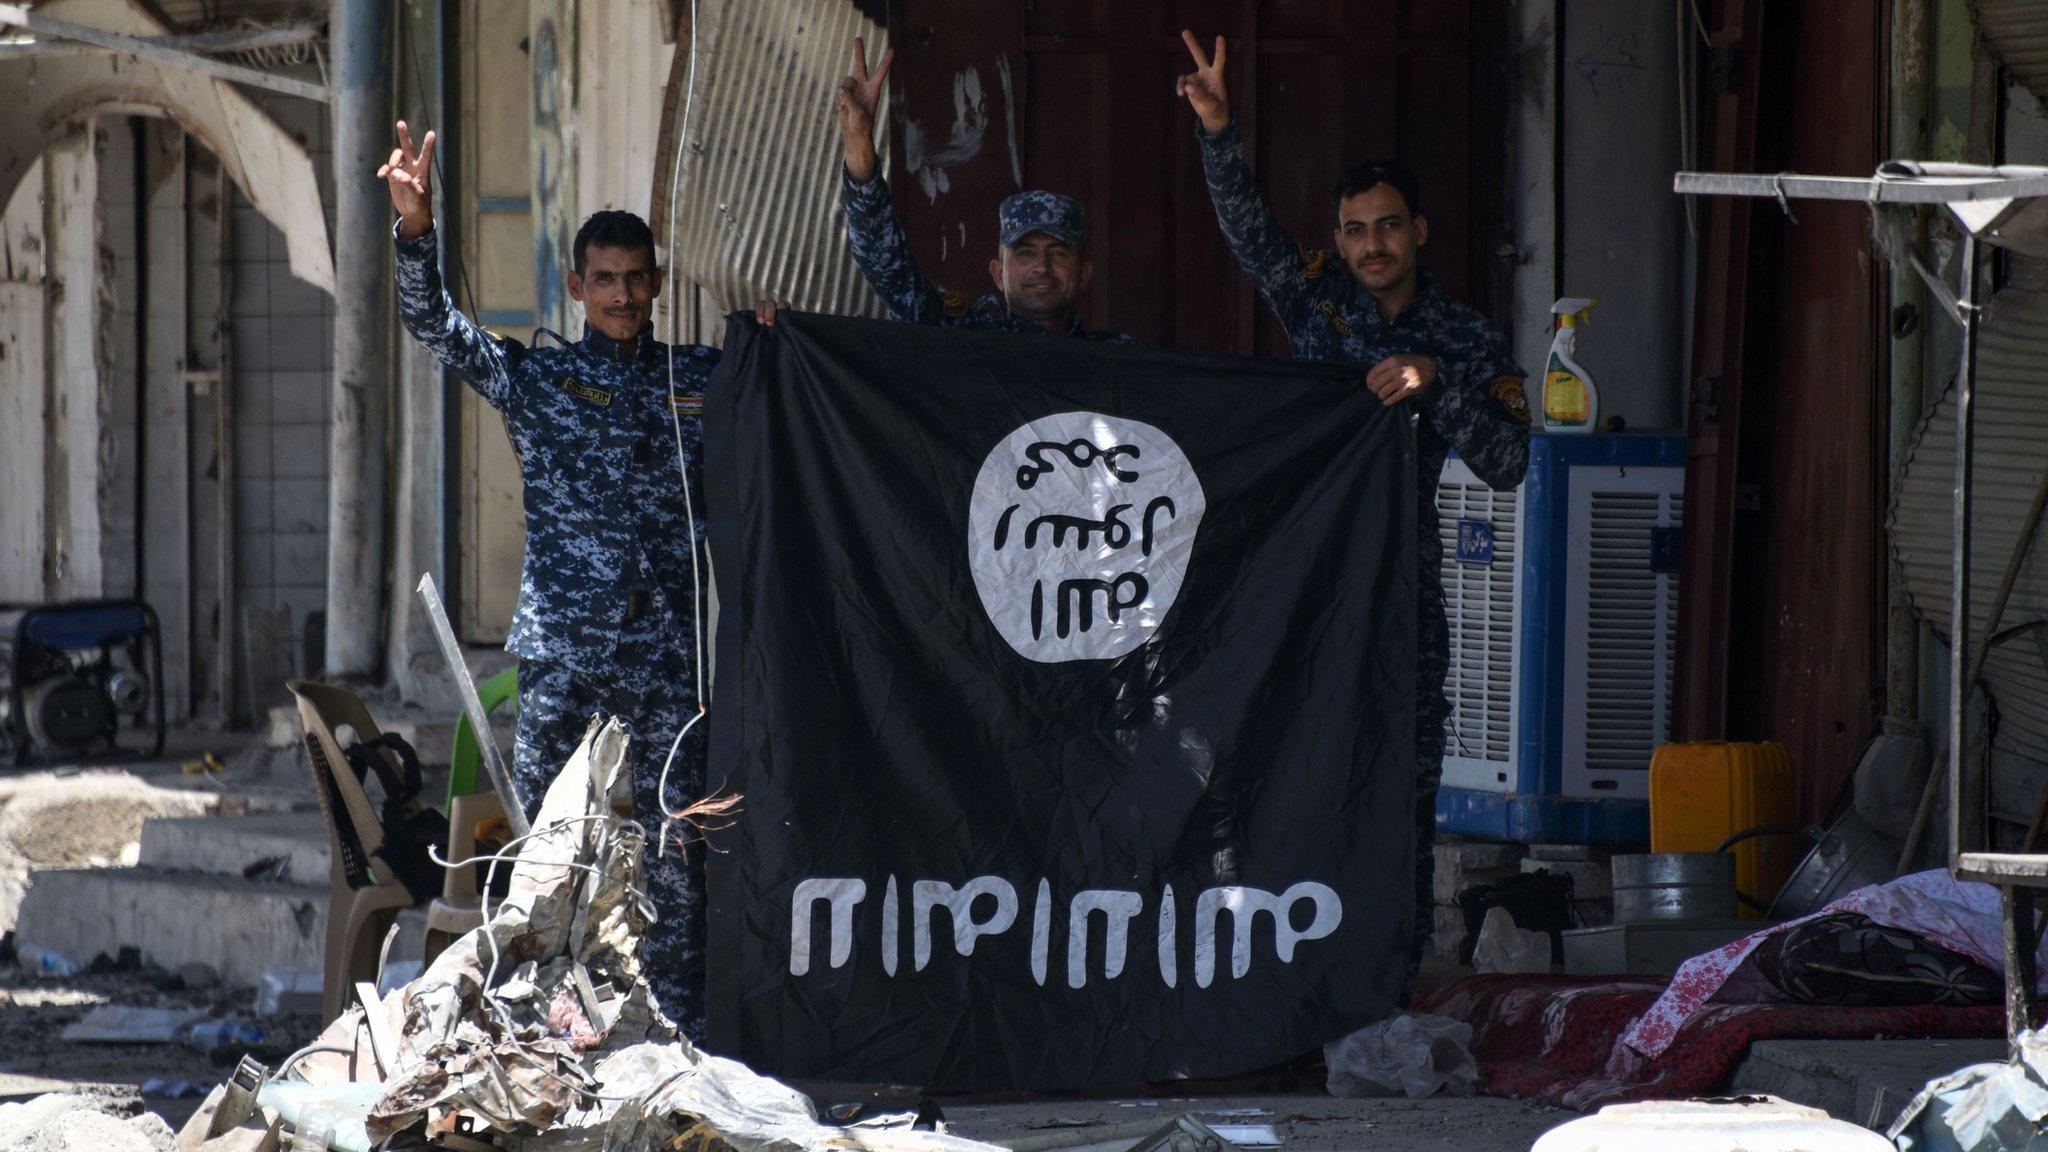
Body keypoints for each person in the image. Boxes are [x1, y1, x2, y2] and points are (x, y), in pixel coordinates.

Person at [1175, 32, 1533, 987]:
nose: (1372, 245)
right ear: (1337, 241)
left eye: (1388, 227)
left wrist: (1434, 383)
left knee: (1405, 784)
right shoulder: (1317, 306)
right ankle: (1286, 966)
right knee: (1290, 767)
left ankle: (1396, 966)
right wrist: (1218, 129)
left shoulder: (1461, 333)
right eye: (1355, 230)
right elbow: (1249, 230)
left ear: (1419, 232)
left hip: (1401, 599)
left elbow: (1508, 464)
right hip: (1302, 589)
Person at [378, 122, 714, 1039]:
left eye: (636, 278)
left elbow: (802, 391)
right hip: (565, 654)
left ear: (656, 282)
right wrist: (417, 232)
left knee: (673, 851)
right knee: (544, 853)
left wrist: (776, 340)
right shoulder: (542, 379)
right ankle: (536, 1024)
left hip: (662, 660)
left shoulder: (698, 382)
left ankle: (670, 1033)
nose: (621, 295)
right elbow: (434, 328)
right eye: (603, 279)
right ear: (577, 286)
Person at [832, 38, 1131, 342]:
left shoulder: (1119, 361)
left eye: (1058, 253)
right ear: (998, 273)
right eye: (1025, 252)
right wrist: (858, 142)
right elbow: (886, 265)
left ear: (1084, 274)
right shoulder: (963, 344)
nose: (1042, 266)